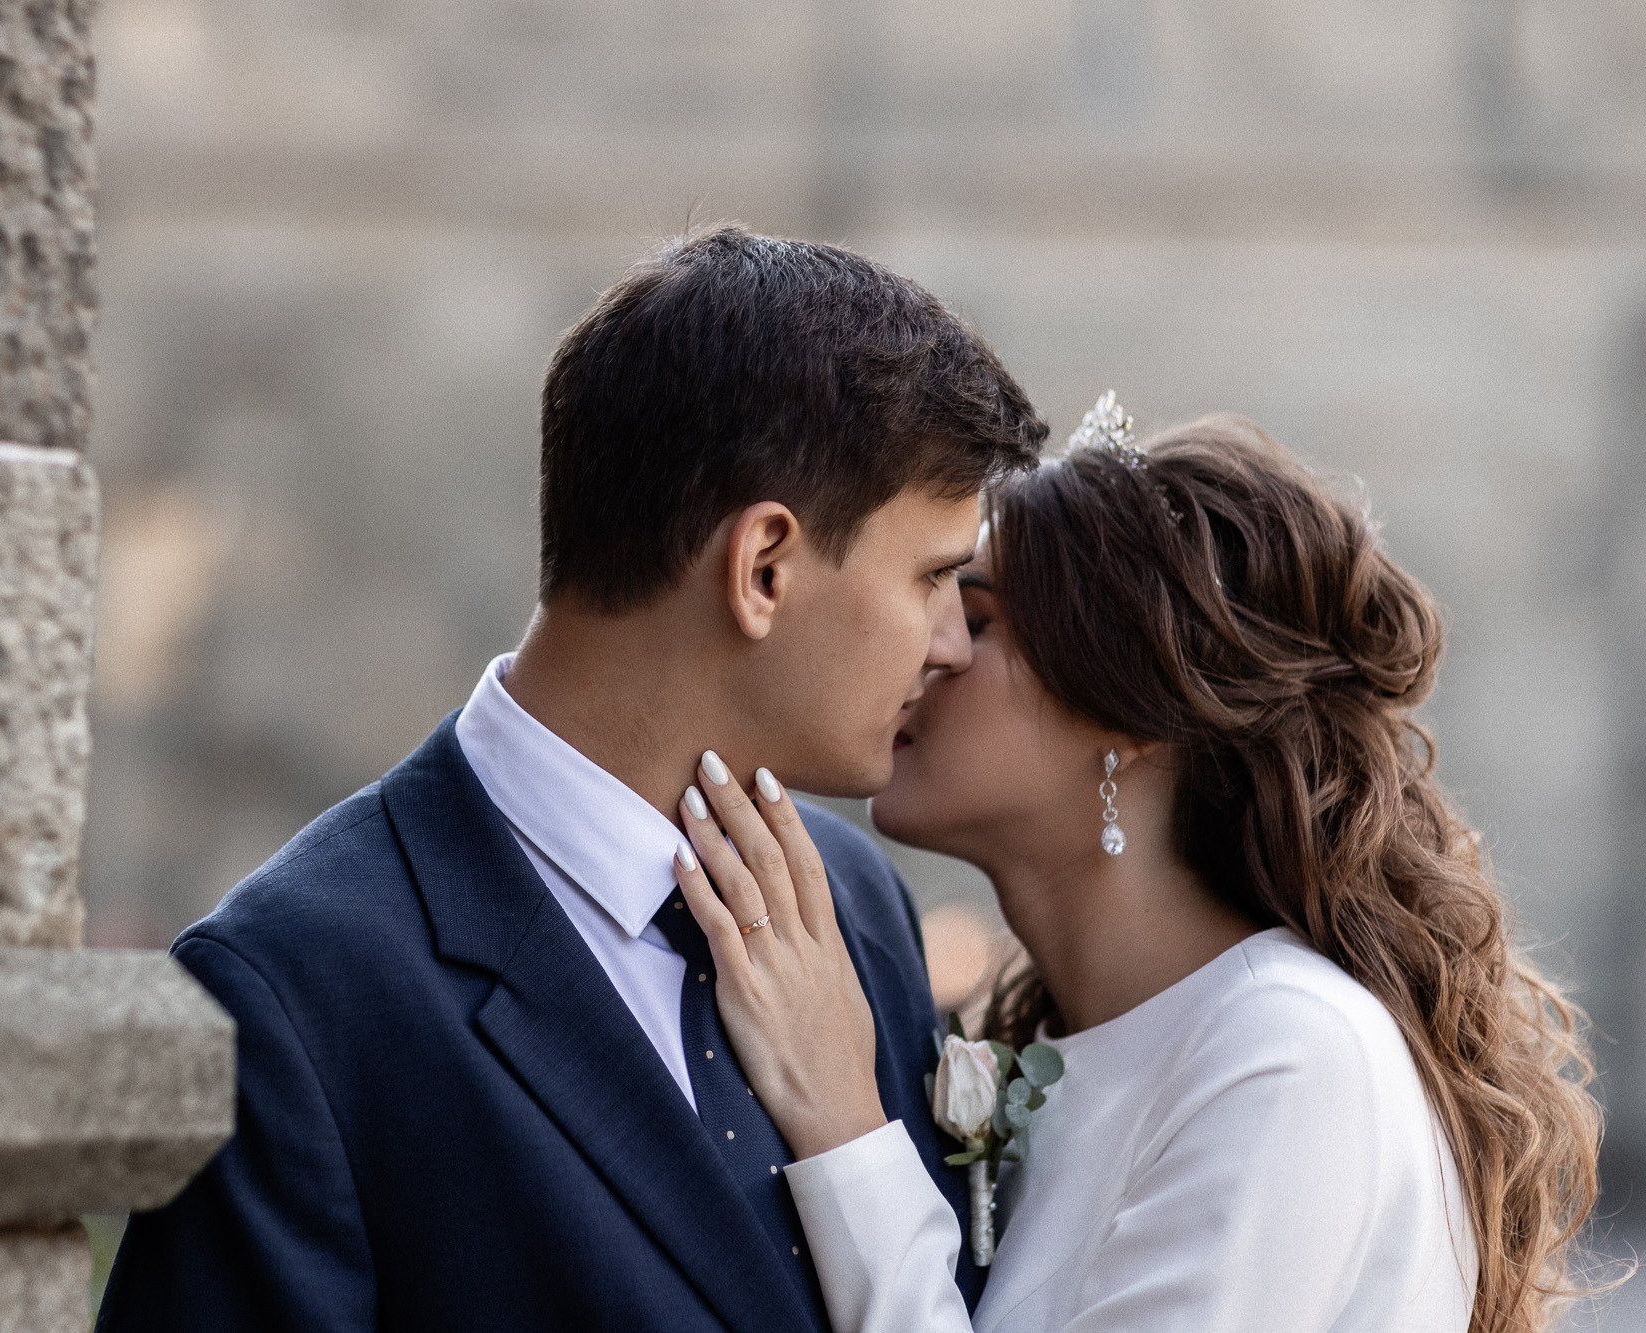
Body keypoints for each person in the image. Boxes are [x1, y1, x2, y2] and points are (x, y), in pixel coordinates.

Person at [94, 224, 1049, 1331]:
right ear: (764, 568)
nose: (952, 643)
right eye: (934, 577)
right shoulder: (296, 999)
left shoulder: (853, 902)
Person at [672, 407, 1603, 1333]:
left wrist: (842, 1122)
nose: (933, 645)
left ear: (1135, 717)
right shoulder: (1073, 1045)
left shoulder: (1292, 1051)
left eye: (983, 618)